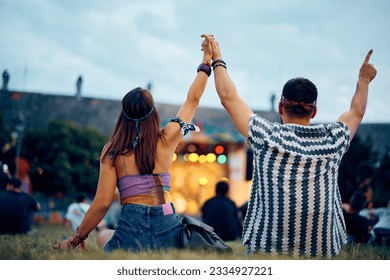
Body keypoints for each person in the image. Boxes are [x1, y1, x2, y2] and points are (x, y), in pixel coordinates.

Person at [208, 35, 377, 257]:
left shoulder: (265, 135)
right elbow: (357, 111)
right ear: (313, 112)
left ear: (280, 106)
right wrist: (363, 80)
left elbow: (228, 97)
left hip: (266, 250)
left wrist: (217, 58)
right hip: (322, 251)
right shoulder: (333, 139)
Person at [54, 34, 213, 251]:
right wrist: (206, 61)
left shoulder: (112, 151)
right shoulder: (167, 139)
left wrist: (75, 239)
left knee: (104, 237)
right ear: (153, 113)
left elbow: (102, 202)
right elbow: (192, 100)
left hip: (130, 228)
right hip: (166, 225)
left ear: (123, 115)